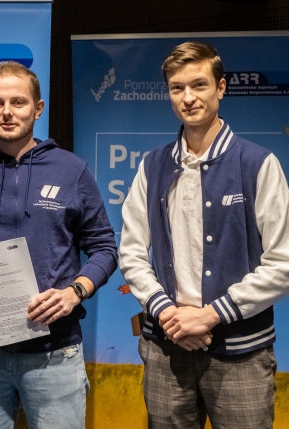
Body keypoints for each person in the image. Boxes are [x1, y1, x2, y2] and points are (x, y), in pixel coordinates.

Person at [0, 62, 118, 428]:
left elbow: (104, 247)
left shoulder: (72, 170)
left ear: (38, 108)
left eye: (18, 102)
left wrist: (75, 292)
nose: (7, 112)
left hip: (54, 351)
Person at [119, 41, 289, 428]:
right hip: (166, 348)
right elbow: (130, 252)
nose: (188, 98)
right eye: (177, 88)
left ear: (221, 88)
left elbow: (283, 262)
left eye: (199, 85)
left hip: (241, 353)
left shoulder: (258, 164)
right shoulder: (151, 166)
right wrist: (168, 314)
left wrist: (211, 315)